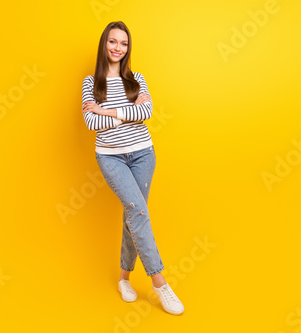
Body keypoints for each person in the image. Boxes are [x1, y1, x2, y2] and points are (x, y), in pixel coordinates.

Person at [81, 21, 184, 315]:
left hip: (143, 154)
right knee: (138, 212)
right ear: (104, 45)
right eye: (113, 42)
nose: (118, 48)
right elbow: (91, 123)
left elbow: (147, 112)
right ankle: (160, 283)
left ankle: (124, 279)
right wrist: (127, 114)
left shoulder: (136, 80)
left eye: (123, 44)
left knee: (134, 213)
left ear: (128, 48)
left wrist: (108, 111)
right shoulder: (91, 83)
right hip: (111, 157)